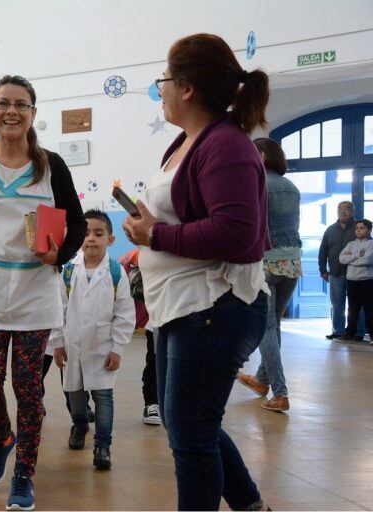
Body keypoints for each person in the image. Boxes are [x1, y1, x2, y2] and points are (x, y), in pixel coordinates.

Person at [123, 33, 272, 511]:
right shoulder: (188, 141)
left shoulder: (226, 145)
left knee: (190, 432)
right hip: (183, 303)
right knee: (185, 423)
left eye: (163, 80)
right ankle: (251, 507)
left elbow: (234, 234)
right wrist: (148, 228)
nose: (159, 89)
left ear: (187, 88)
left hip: (214, 305)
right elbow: (190, 215)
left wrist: (155, 237)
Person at [0, 74, 86, 511]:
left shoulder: (52, 165)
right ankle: (1, 437)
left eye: (21, 104)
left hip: (36, 293)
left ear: (34, 112)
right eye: (3, 104)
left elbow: (80, 224)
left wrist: (60, 255)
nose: (11, 111)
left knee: (28, 388)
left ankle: (24, 476)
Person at [50, 209, 135, 470]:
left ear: (110, 239)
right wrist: (57, 343)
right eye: (86, 233)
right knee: (75, 397)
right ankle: (79, 425)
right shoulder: (67, 271)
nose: (91, 239)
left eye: (98, 234)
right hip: (73, 347)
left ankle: (103, 445)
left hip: (103, 348)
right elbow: (57, 309)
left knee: (104, 397)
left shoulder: (116, 271)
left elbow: (124, 313)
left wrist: (117, 348)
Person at [237, 138, 301, 413]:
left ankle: (280, 392)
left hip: (267, 263)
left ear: (260, 156)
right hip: (293, 263)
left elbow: (252, 225)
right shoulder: (292, 187)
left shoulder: (259, 185)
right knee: (274, 323)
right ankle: (262, 380)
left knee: (267, 327)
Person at [118, 247, 160, 426]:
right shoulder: (141, 252)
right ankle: (152, 403)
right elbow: (123, 265)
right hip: (158, 318)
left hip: (192, 314)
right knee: (155, 361)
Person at [319, 201, 363, 340]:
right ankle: (338, 330)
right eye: (340, 209)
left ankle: (357, 332)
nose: (343, 211)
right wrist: (323, 270)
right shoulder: (330, 230)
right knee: (337, 303)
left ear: (353, 211)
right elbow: (323, 251)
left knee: (356, 305)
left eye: (347, 209)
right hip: (335, 273)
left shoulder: (359, 229)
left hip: (355, 274)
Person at [337, 219, 373, 343]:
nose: (358, 230)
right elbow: (342, 258)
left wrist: (351, 259)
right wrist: (357, 256)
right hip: (351, 280)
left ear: (369, 230)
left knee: (369, 308)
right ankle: (349, 333)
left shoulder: (371, 244)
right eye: (357, 228)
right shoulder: (351, 244)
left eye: (362, 228)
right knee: (352, 308)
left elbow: (368, 260)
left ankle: (372, 334)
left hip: (367, 280)